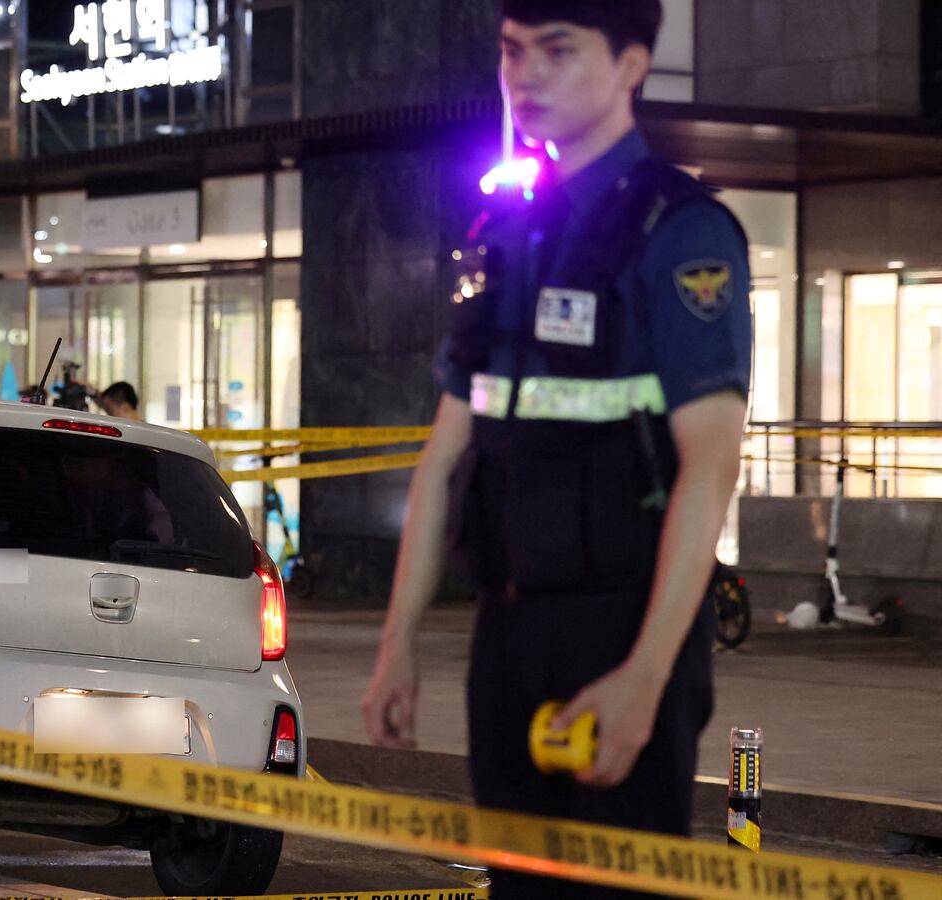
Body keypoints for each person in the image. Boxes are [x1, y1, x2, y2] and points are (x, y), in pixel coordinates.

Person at [360, 1, 751, 896]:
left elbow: (712, 467)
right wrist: (398, 642)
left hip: (623, 627)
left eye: (558, 50)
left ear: (631, 65)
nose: (525, 74)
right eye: (511, 50)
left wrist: (646, 680)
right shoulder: (505, 234)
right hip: (507, 631)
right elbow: (444, 456)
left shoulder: (682, 232)